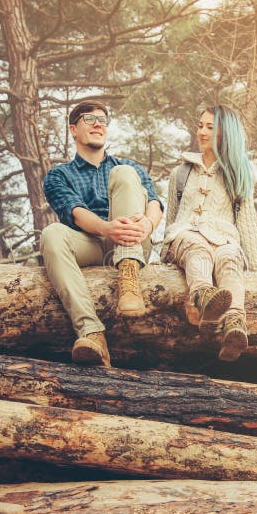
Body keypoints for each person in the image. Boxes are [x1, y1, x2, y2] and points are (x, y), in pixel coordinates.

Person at [41, 100, 163, 368]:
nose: (99, 124)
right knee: (51, 233)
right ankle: (92, 333)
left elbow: (154, 203)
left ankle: (129, 278)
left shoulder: (128, 167)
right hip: (92, 242)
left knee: (123, 173)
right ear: (73, 129)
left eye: (103, 120)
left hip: (133, 241)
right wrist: (107, 228)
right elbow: (74, 212)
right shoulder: (58, 175)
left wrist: (149, 226)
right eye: (89, 119)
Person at [161, 104, 257, 362]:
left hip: (225, 239)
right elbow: (172, 215)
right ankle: (203, 295)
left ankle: (234, 324)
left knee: (230, 261)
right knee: (198, 250)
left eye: (210, 127)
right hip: (186, 236)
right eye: (200, 125)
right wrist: (164, 252)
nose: (202, 132)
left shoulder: (239, 174)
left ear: (225, 134)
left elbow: (247, 222)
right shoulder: (181, 172)